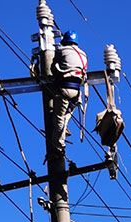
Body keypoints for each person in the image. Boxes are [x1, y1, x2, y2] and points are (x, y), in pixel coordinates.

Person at [50, 30, 87, 158]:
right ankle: (64, 129)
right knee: (66, 114)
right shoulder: (83, 54)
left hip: (64, 88)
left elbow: (53, 68)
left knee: (58, 118)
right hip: (77, 92)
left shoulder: (61, 50)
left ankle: (58, 147)